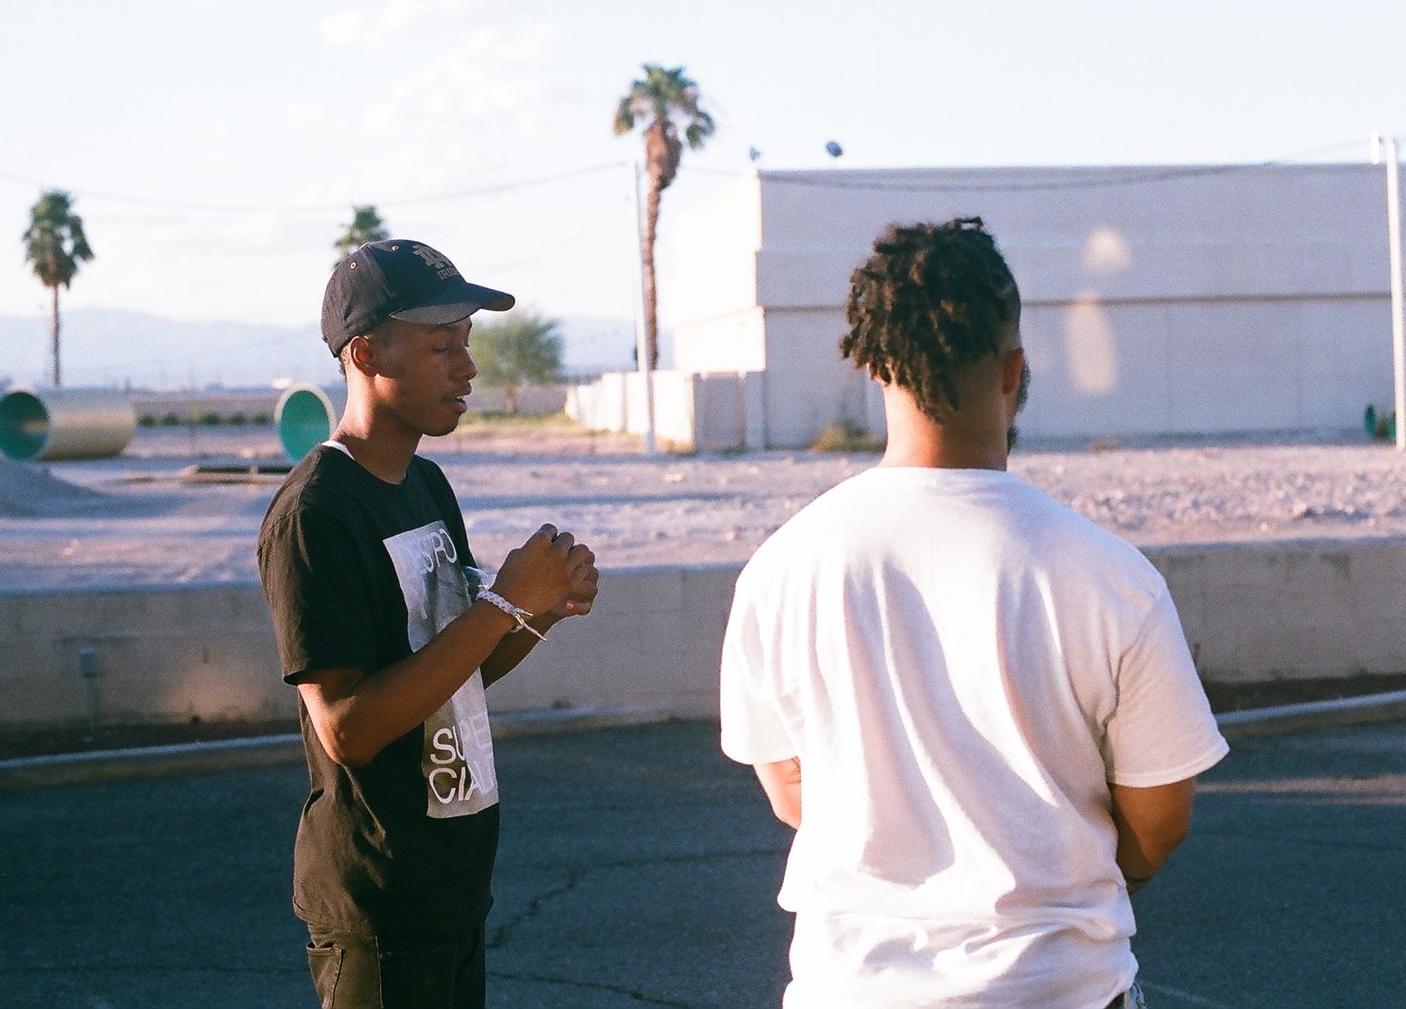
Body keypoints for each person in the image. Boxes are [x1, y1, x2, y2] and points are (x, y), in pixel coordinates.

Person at [719, 218, 1228, 1009]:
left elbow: (793, 796)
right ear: (1014, 369)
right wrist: (1062, 883)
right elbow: (1159, 820)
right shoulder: (1111, 576)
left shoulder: (780, 569)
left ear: (873, 366)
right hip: (1058, 988)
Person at [258, 239, 599, 1009]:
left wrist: (540, 610)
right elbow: (346, 727)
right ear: (366, 352)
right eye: (442, 344)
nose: (468, 366)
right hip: (379, 907)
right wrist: (501, 603)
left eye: (467, 342)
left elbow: (451, 669)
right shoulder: (316, 513)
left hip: (452, 887)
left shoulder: (427, 484)